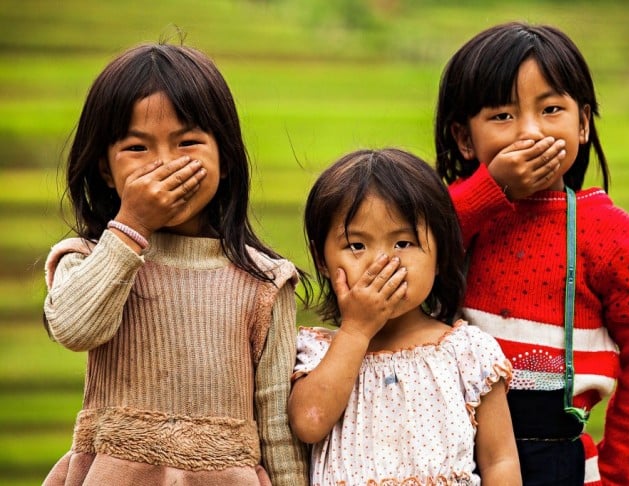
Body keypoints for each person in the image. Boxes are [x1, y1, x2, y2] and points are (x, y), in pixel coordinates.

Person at [42, 43, 308, 486]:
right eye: (136, 147)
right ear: (106, 171)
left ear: (224, 159)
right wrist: (131, 225)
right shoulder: (90, 257)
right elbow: (74, 327)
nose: (165, 164)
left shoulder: (263, 281)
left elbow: (277, 424)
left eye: (187, 142)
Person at [434, 22, 629, 486]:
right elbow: (419, 248)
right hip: (451, 455)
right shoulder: (451, 216)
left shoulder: (611, 234)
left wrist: (615, 472)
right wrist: (492, 190)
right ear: (464, 138)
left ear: (583, 123)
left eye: (550, 109)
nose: (530, 132)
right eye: (503, 116)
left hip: (559, 459)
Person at [288, 148, 521, 485]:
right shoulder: (318, 353)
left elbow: (500, 461)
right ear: (321, 258)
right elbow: (310, 422)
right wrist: (356, 331)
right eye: (356, 246)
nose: (381, 262)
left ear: (439, 252)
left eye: (403, 243)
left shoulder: (468, 352)